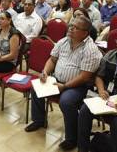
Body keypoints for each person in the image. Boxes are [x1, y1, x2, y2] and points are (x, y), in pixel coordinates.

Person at [25, 17, 102, 151]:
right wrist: (45, 72)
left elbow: (84, 77)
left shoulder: (91, 49)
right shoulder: (64, 41)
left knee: (66, 102)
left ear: (85, 33)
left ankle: (72, 139)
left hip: (79, 86)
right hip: (57, 80)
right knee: (36, 86)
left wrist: (65, 86)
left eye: (75, 27)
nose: (70, 28)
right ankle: (39, 120)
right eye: (71, 25)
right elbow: (52, 60)